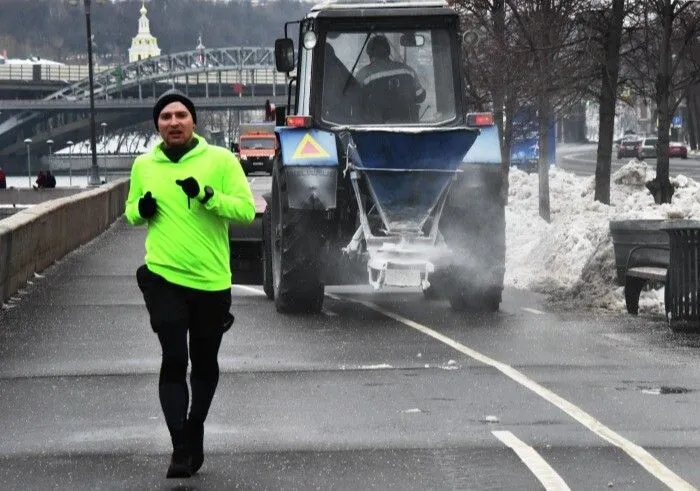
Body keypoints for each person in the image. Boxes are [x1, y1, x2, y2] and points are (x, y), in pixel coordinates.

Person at [124, 89, 255, 478]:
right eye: (166, 117)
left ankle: (195, 426)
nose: (174, 122)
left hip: (211, 280)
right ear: (157, 125)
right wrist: (140, 210)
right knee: (174, 357)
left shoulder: (221, 160)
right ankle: (179, 444)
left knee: (204, 360)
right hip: (163, 276)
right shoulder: (143, 165)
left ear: (194, 122)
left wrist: (208, 196)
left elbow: (246, 210)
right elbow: (131, 212)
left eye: (181, 115)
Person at [355, 34, 426, 122]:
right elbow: (421, 96)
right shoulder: (408, 70)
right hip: (409, 129)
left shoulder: (364, 74)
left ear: (370, 54)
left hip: (376, 131)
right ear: (388, 52)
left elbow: (355, 104)